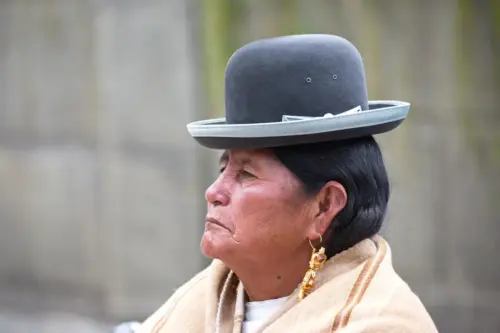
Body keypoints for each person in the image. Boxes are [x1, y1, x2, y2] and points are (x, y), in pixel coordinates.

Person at [138, 34, 438, 333]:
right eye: (223, 167)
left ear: (324, 206)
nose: (214, 192)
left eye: (246, 174)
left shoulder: (380, 323)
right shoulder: (205, 299)